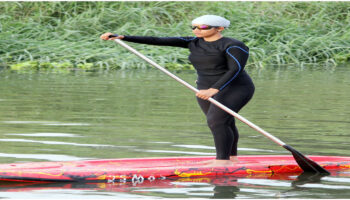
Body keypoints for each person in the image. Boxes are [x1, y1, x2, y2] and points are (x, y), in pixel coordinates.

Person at [100, 15, 255, 165]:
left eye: (202, 27)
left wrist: (214, 89)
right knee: (223, 121)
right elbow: (157, 40)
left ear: (220, 28)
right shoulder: (193, 42)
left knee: (216, 121)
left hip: (235, 88)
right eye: (194, 27)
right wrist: (123, 37)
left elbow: (235, 69)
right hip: (204, 88)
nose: (196, 30)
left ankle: (222, 161)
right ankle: (231, 158)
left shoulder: (233, 45)